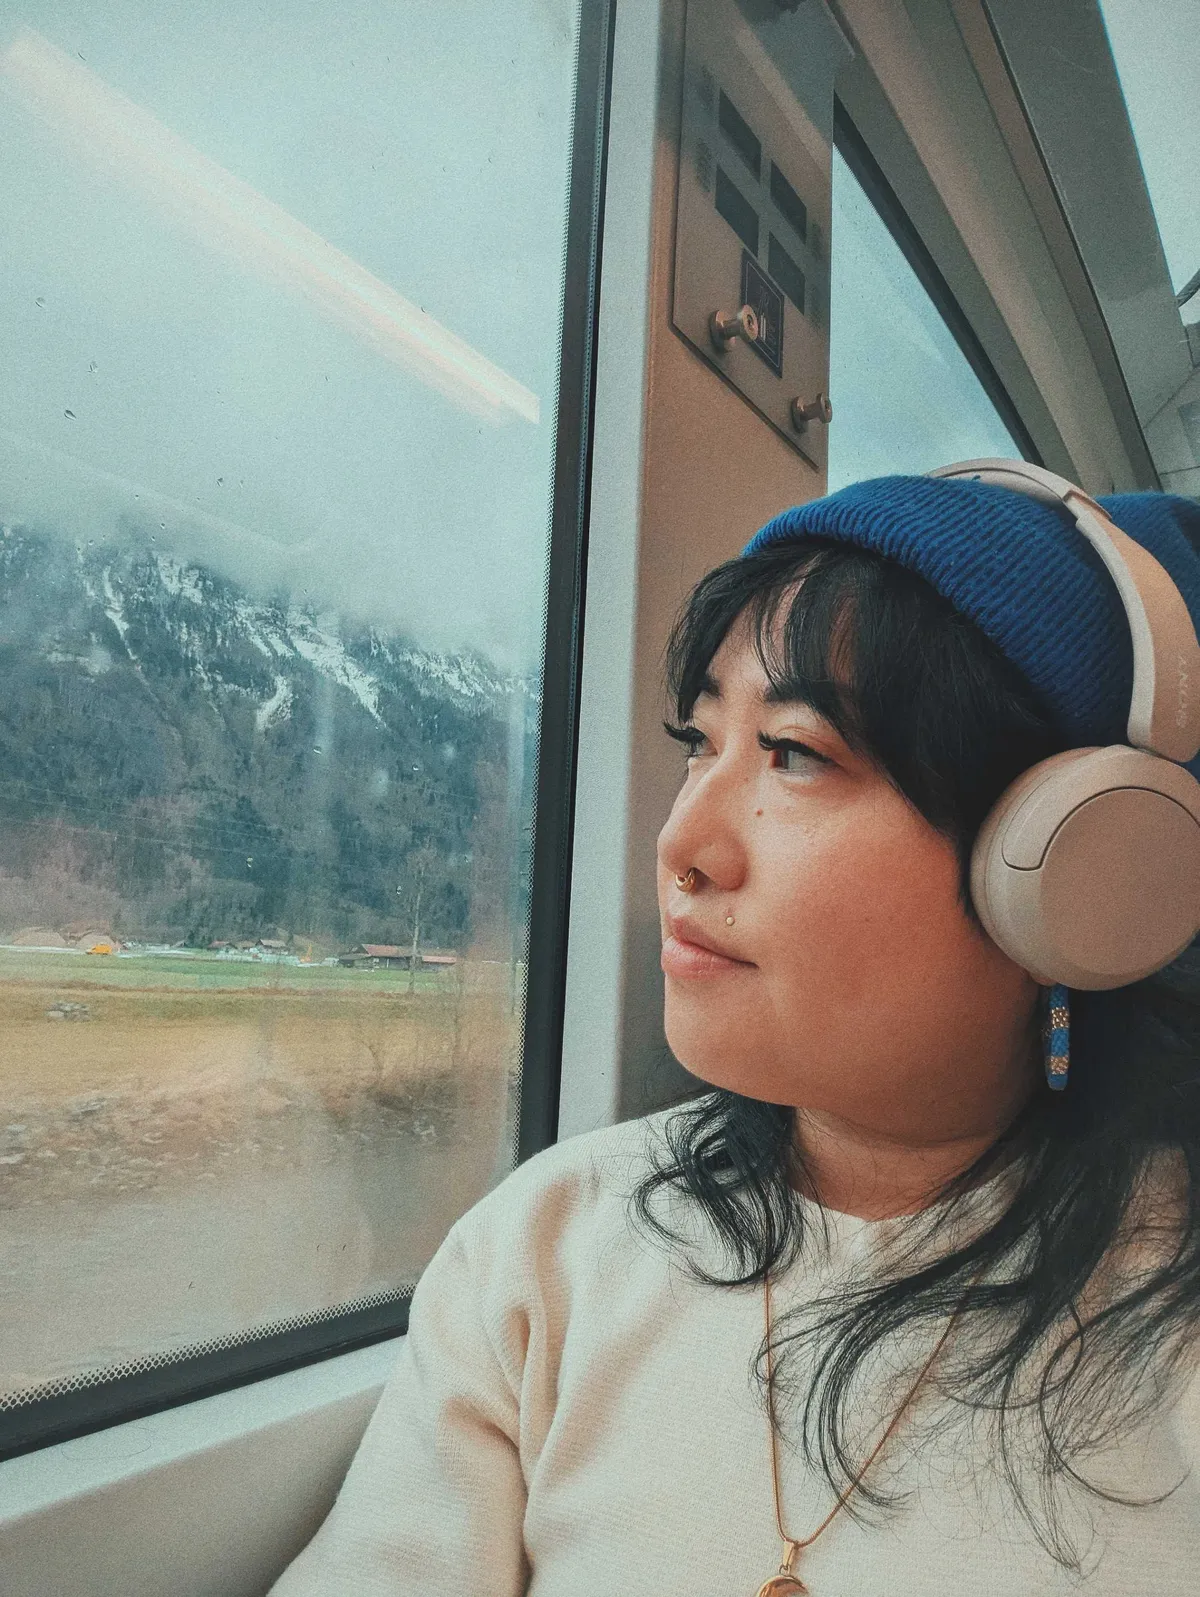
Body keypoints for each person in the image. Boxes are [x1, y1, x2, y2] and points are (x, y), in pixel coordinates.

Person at [267, 463, 1200, 1596]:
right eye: (701, 742)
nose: (683, 843)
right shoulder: (545, 1249)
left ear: (1079, 865)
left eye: (797, 754)